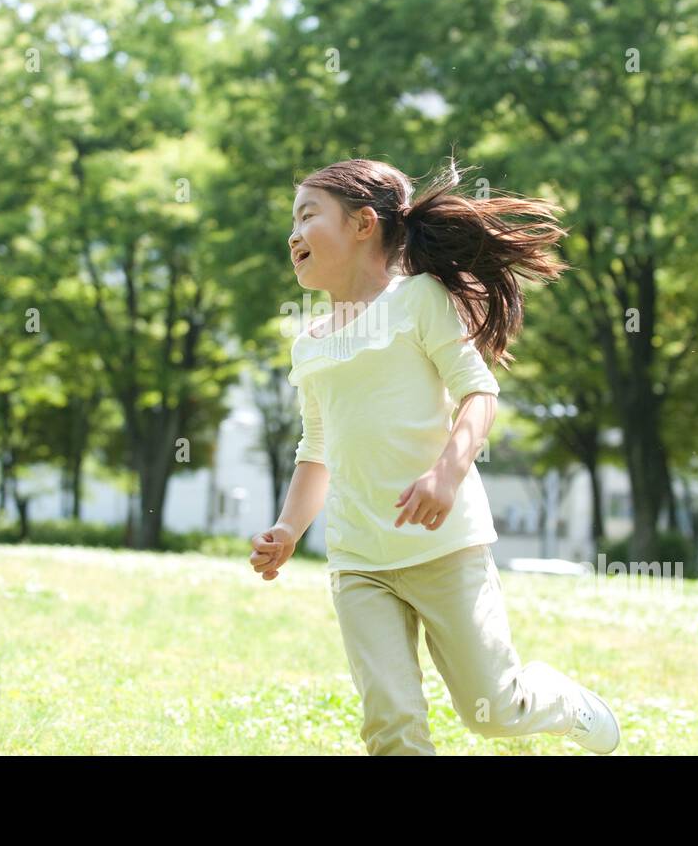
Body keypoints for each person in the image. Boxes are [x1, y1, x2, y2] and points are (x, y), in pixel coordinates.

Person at [249, 156, 621, 755]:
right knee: (391, 723)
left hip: (445, 546)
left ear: (363, 223)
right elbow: (315, 449)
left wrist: (446, 476)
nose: (292, 233)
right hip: (358, 556)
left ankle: (560, 701)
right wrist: (289, 528)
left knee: (494, 710)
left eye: (308, 214)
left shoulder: (418, 300)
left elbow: (480, 391)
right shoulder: (309, 343)